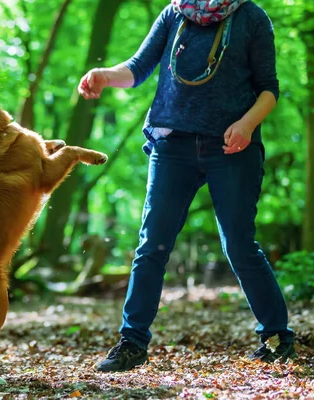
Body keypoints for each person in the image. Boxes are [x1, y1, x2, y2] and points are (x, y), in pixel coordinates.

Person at [77, 0, 295, 372]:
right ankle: (132, 342)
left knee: (239, 245)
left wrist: (246, 125)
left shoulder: (251, 17)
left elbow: (268, 89)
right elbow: (137, 68)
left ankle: (276, 335)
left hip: (232, 147)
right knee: (151, 244)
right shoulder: (173, 14)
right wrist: (104, 75)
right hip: (172, 145)